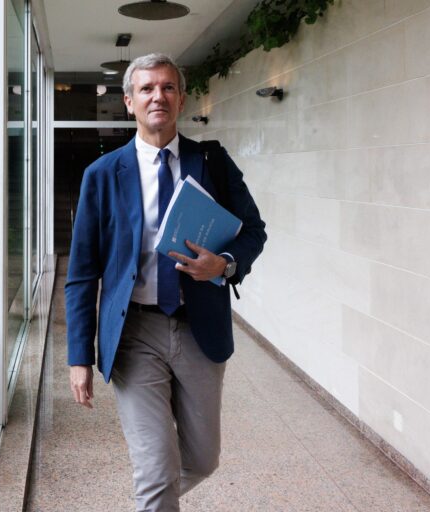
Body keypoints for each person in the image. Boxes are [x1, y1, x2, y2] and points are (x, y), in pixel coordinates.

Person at [66, 53, 267, 511]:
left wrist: (224, 264)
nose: (158, 96)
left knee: (202, 460)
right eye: (147, 89)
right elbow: (82, 274)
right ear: (129, 102)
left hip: (200, 328)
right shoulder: (103, 175)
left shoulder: (212, 162)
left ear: (181, 99)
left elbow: (254, 231)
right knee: (157, 472)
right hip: (134, 333)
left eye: (168, 87)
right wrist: (79, 357)